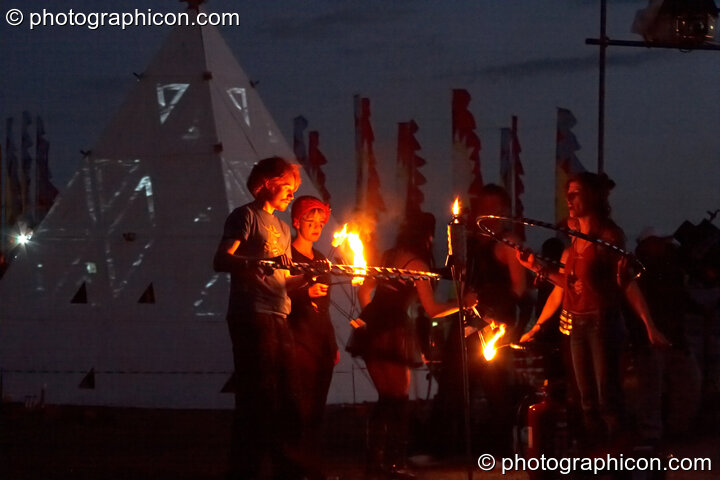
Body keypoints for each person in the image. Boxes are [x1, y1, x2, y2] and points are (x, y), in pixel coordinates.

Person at [517, 172, 669, 448]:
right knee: (586, 400)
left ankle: (618, 458)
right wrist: (537, 270)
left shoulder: (607, 237)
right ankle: (595, 458)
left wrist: (649, 325)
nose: (569, 199)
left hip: (602, 323)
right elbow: (567, 286)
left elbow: (627, 284)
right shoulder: (574, 242)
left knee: (607, 398)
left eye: (575, 193)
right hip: (577, 325)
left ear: (591, 197)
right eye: (568, 194)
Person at [348, 212, 477, 479]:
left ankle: (376, 464)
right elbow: (431, 310)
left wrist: (370, 317)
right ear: (426, 236)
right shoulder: (417, 263)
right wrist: (463, 303)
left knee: (387, 399)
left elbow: (363, 291)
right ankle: (393, 464)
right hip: (393, 331)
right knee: (398, 399)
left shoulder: (389, 255)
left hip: (373, 329)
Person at [213, 156, 309, 480]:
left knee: (289, 396)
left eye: (295, 189)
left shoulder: (283, 228)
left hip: (279, 314)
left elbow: (283, 279)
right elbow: (221, 259)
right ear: (267, 182)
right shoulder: (245, 217)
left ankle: (288, 469)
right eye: (287, 186)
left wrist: (309, 278)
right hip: (251, 313)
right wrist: (254, 261)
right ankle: (247, 470)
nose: (291, 194)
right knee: (260, 395)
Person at [287, 195, 338, 479]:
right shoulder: (286, 255)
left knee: (317, 407)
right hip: (297, 336)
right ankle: (296, 467)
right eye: (310, 220)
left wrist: (331, 342)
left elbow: (326, 307)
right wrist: (305, 292)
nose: (317, 226)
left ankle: (312, 465)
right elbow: (276, 293)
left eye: (321, 222)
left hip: (319, 340)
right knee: (299, 407)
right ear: (296, 222)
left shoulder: (322, 260)